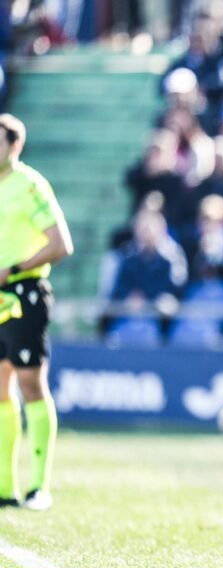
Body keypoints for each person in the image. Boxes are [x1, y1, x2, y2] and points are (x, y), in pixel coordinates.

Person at [0, 113, 74, 510]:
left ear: (16, 146)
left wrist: (11, 269)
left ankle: (37, 487)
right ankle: (4, 487)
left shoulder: (30, 186)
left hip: (24, 291)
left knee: (30, 384)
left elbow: (61, 245)